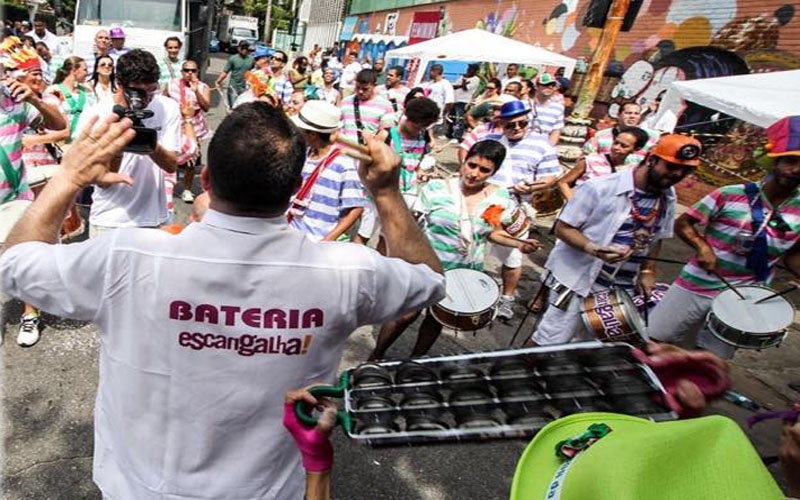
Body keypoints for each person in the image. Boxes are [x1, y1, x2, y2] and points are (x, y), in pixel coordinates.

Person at [0, 100, 445, 500]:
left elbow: (14, 264)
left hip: (137, 487)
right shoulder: (349, 272)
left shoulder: (129, 257)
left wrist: (68, 177)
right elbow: (429, 279)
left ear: (208, 180)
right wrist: (386, 192)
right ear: (293, 189)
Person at [369, 139, 539, 359]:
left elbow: (492, 232)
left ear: (494, 171)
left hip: (463, 272)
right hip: (426, 265)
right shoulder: (437, 188)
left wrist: (519, 243)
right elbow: (410, 224)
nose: (475, 173)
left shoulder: (499, 198)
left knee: (437, 319)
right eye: (472, 165)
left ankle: (416, 361)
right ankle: (376, 357)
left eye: (484, 170)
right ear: (464, 160)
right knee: (404, 315)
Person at [649, 116, 800, 359]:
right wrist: (702, 246)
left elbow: (793, 252)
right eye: (791, 161)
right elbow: (684, 223)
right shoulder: (730, 194)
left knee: (710, 358)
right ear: (774, 162)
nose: (796, 170)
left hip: (746, 295)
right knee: (656, 340)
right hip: (697, 283)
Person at [530, 134, 701, 346]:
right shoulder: (600, 188)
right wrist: (592, 248)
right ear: (651, 159)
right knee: (549, 341)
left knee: (590, 349)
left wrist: (648, 271)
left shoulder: (668, 196)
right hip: (579, 281)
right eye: (670, 166)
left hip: (620, 289)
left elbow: (657, 238)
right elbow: (563, 228)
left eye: (685, 171)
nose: (677, 174)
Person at [0, 36, 66, 347]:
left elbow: (59, 123)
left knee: (25, 260)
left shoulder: (15, 104)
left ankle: (30, 314)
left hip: (15, 197)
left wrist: (35, 100)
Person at [77, 49, 179, 236]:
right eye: (140, 92)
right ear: (120, 84)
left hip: (155, 219)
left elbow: (171, 164)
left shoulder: (168, 107)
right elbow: (103, 181)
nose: (147, 98)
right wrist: (118, 142)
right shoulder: (96, 114)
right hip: (110, 220)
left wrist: (146, 138)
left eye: (152, 90)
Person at [484, 100, 561, 320]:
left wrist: (530, 186)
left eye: (522, 123)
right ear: (502, 124)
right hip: (489, 203)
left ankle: (506, 299)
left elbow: (550, 178)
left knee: (513, 255)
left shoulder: (542, 144)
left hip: (516, 208)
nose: (517, 128)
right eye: (511, 125)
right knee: (475, 245)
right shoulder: (492, 142)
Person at [287, 100, 366, 241]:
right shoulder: (303, 155)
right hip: (291, 235)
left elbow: (356, 208)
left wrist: (329, 238)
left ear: (312, 134)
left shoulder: (343, 165)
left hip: (318, 241)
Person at [558, 126, 650, 200]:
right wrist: (573, 203)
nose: (616, 147)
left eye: (624, 146)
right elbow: (563, 183)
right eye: (616, 142)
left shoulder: (632, 170)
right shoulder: (590, 161)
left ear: (636, 149)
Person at [165, 59, 211, 203]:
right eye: (186, 70)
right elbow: (163, 99)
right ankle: (168, 184)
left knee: (191, 160)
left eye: (193, 70)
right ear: (182, 72)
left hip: (194, 127)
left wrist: (196, 91)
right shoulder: (172, 85)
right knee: (171, 156)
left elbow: (206, 107)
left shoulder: (203, 87)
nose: (189, 73)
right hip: (174, 126)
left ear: (197, 72)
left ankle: (187, 189)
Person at [584, 102, 658, 165]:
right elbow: (588, 160)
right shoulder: (601, 135)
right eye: (628, 113)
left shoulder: (652, 137)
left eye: (636, 114)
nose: (632, 116)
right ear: (618, 115)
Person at [338, 68, 396, 145]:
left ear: (374, 86)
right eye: (358, 87)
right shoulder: (346, 101)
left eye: (365, 89)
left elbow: (385, 133)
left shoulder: (385, 105)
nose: (360, 91)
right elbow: (337, 124)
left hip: (367, 153)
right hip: (344, 152)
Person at [215, 41, 254, 109]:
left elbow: (254, 73)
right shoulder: (233, 58)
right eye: (243, 48)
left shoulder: (251, 59)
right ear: (239, 48)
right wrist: (218, 81)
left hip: (245, 88)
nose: (244, 50)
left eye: (246, 48)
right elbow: (225, 72)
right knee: (233, 108)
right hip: (233, 87)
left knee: (243, 108)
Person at [530, 73, 565, 146]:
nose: (550, 87)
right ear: (536, 86)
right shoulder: (524, 105)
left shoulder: (558, 108)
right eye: (546, 85)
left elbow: (556, 131)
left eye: (553, 85)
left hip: (543, 145)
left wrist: (548, 148)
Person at [423, 63, 455, 139]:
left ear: (436, 72)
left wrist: (444, 114)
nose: (429, 73)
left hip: (436, 117)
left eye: (431, 71)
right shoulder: (430, 84)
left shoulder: (446, 84)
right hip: (426, 115)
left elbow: (450, 102)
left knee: (429, 137)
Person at [450, 63, 480, 142]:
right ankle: (449, 134)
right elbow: (454, 86)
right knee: (452, 118)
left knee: (460, 119)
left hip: (464, 101)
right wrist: (462, 83)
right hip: (456, 99)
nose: (468, 70)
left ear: (475, 71)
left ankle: (457, 136)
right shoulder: (462, 77)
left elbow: (466, 88)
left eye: (471, 69)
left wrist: (463, 82)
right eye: (468, 68)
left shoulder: (475, 79)